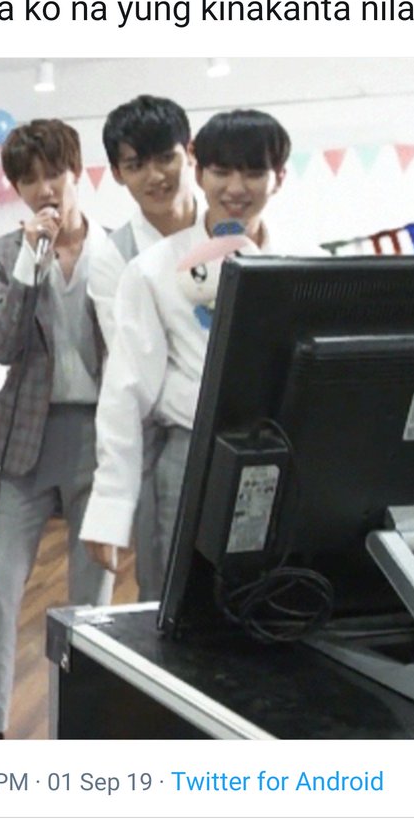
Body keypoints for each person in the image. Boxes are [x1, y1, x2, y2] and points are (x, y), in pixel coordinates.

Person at [80, 108, 293, 597]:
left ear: (278, 178)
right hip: (190, 451)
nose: (236, 187)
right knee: (175, 597)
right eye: (222, 171)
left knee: (272, 597)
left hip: (282, 453)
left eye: (253, 172)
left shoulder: (301, 263)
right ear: (200, 173)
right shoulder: (151, 269)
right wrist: (110, 508)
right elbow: (125, 389)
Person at [0, 119, 110, 738]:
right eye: (28, 180)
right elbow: (2, 347)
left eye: (53, 173)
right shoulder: (0, 256)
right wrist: (30, 265)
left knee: (91, 597)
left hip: (100, 440)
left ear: (76, 171)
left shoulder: (115, 250)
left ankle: (81, 727)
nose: (44, 189)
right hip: (26, 438)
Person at [87, 94, 198, 599]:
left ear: (189, 153)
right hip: (166, 434)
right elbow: (135, 374)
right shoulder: (116, 258)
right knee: (166, 582)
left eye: (165, 158)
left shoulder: (230, 228)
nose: (155, 176)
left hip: (256, 426)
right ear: (117, 174)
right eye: (136, 165)